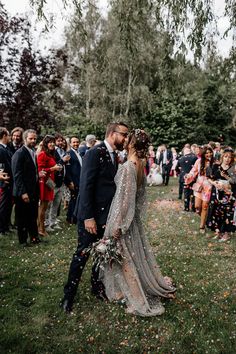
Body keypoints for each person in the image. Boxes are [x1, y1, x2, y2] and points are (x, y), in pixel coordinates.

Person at [95, 129, 176, 316]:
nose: (124, 140)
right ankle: (132, 291)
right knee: (131, 257)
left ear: (131, 143)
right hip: (133, 220)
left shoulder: (128, 167)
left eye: (128, 138)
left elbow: (126, 201)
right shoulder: (140, 163)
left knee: (125, 261)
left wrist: (119, 226)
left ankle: (138, 301)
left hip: (125, 221)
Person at [60, 122, 129, 313]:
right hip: (90, 216)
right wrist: (88, 217)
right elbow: (86, 186)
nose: (125, 138)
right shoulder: (94, 152)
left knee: (101, 254)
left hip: (106, 216)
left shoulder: (114, 156)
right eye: (123, 134)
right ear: (112, 133)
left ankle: (96, 287)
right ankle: (68, 296)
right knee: (82, 254)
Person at [11, 129, 41, 246]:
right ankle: (23, 241)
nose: (33, 140)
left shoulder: (33, 152)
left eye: (34, 138)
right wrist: (23, 192)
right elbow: (17, 175)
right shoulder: (19, 153)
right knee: (22, 218)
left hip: (33, 191)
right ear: (25, 139)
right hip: (22, 192)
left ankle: (34, 237)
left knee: (32, 216)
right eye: (31, 138)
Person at [207, 148, 236, 242]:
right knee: (216, 212)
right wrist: (215, 183)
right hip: (216, 193)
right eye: (226, 156)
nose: (227, 159)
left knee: (227, 214)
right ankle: (218, 232)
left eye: (230, 157)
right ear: (222, 156)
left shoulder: (233, 168)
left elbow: (234, 182)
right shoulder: (216, 166)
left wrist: (226, 178)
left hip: (228, 194)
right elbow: (209, 178)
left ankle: (226, 233)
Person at [185, 146, 214, 233]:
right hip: (199, 187)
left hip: (208, 187)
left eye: (210, 152)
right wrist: (189, 176)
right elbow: (193, 171)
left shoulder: (214, 163)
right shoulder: (199, 161)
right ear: (204, 154)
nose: (209, 154)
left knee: (205, 207)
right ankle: (204, 217)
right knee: (197, 207)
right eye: (207, 153)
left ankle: (202, 226)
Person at [37, 135, 62, 237]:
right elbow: (40, 170)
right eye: (49, 142)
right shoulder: (42, 154)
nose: (52, 144)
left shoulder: (50, 154)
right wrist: (53, 168)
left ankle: (39, 227)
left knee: (45, 207)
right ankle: (41, 229)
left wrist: (55, 168)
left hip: (49, 183)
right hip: (44, 183)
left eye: (53, 142)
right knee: (43, 208)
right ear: (45, 143)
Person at [64, 136, 82, 224]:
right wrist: (69, 181)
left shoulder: (79, 153)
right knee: (74, 199)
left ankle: (73, 218)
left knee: (76, 199)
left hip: (79, 179)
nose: (76, 144)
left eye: (77, 142)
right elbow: (67, 169)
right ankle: (70, 218)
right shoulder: (69, 154)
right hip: (73, 181)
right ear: (70, 144)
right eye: (74, 142)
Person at [0, 127, 13, 235]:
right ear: (4, 136)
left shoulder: (6, 148)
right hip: (5, 181)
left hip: (9, 181)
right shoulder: (0, 149)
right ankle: (2, 228)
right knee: (4, 205)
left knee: (8, 205)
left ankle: (6, 226)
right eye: (8, 135)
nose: (9, 137)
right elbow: (2, 166)